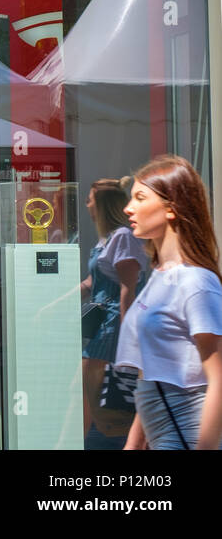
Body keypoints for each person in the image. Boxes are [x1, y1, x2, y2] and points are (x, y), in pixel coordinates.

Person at [115, 155, 222, 450]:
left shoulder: (196, 282)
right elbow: (153, 375)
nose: (128, 208)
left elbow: (219, 380)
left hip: (188, 437)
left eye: (139, 197)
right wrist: (133, 444)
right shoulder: (160, 276)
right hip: (164, 434)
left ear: (171, 208)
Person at [79, 177, 147, 444]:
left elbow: (128, 289)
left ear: (102, 205)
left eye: (90, 200)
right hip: (102, 325)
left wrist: (126, 339)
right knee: (88, 393)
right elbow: (91, 282)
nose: (87, 205)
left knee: (93, 395)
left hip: (111, 325)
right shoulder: (107, 240)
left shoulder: (122, 237)